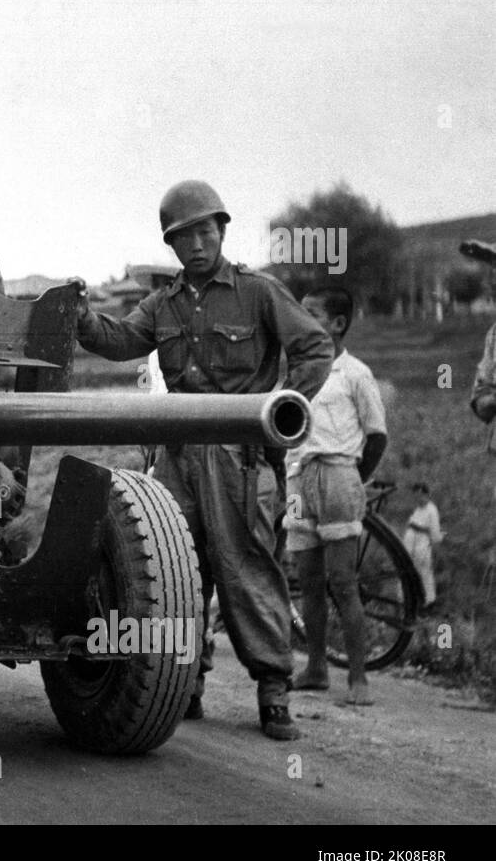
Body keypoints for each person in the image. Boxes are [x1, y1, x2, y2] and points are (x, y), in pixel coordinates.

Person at [71, 180, 334, 740]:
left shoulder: (258, 292)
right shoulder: (162, 303)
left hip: (237, 456)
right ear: (171, 244)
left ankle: (272, 690)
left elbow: (314, 346)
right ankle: (185, 682)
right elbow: (120, 340)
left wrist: (281, 409)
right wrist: (80, 316)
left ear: (222, 231)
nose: (196, 243)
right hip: (177, 453)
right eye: (184, 236)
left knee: (246, 568)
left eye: (205, 231)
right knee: (175, 573)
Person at [283, 286, 387, 706]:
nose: (303, 320)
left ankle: (358, 679)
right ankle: (316, 668)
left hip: (339, 475)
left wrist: (352, 478)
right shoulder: (297, 372)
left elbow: (377, 436)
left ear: (338, 324)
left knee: (342, 582)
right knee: (307, 580)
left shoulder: (355, 373)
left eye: (312, 314)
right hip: (299, 476)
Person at [401, 483, 444, 608]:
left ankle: (428, 602)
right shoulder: (417, 509)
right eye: (416, 496)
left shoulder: (432, 510)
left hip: (422, 544)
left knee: (424, 572)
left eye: (420, 496)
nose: (418, 499)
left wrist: (437, 539)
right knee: (408, 571)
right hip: (410, 543)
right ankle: (407, 600)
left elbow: (434, 532)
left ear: (426, 495)